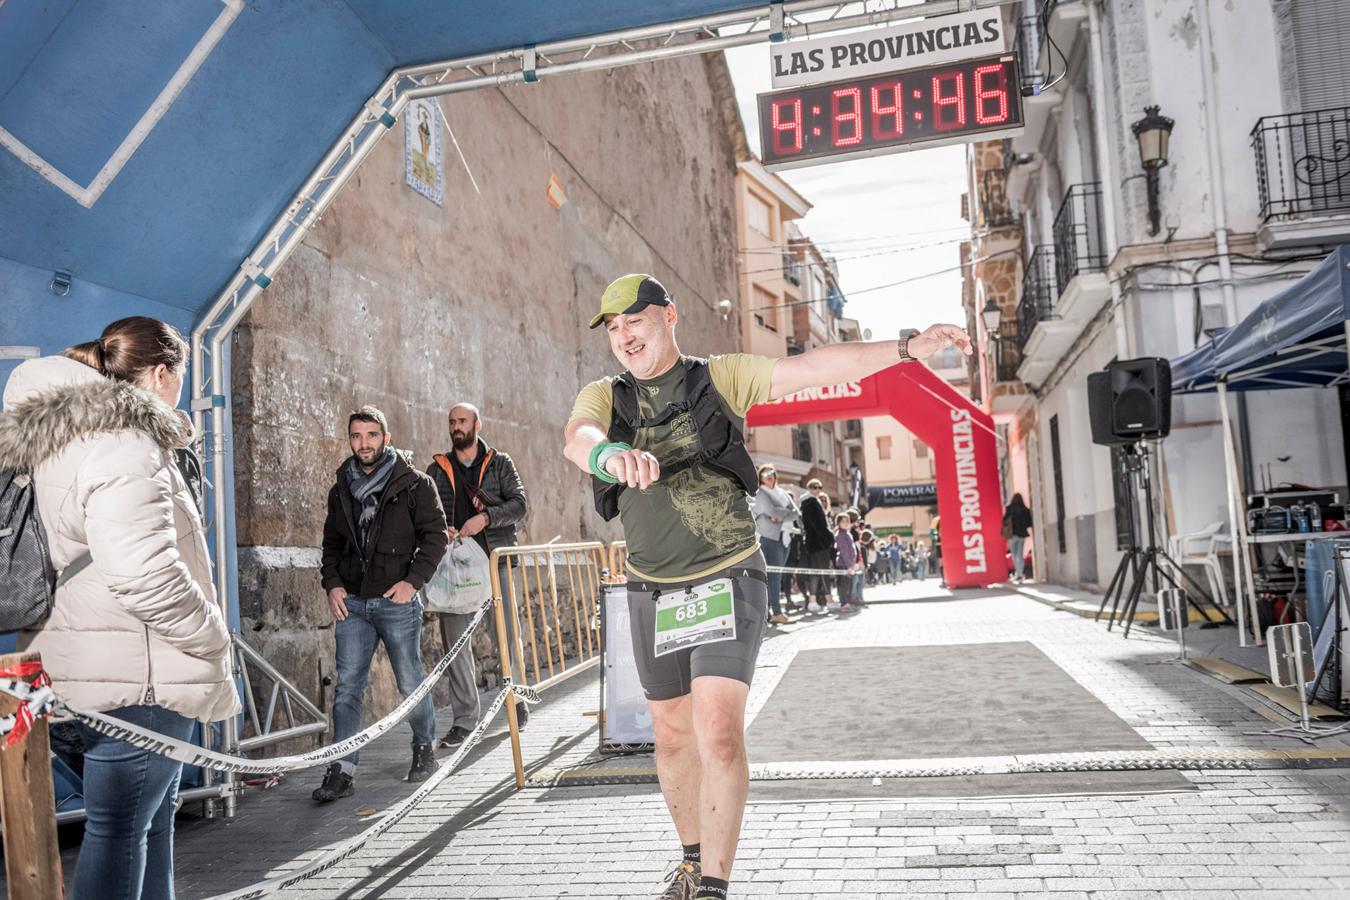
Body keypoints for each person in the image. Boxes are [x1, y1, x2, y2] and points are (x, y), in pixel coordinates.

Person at [561, 272, 970, 900]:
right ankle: (693, 861)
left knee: (717, 727)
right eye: (613, 328)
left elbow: (813, 368)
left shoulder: (717, 377)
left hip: (728, 572)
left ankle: (716, 887)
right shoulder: (605, 395)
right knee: (669, 735)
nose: (624, 337)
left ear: (668, 316)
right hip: (650, 586)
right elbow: (578, 436)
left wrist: (905, 347)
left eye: (634, 321)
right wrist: (607, 457)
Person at [0, 317, 240, 899]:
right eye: (178, 377)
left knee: (146, 824)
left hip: (74, 667)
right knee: (120, 829)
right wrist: (212, 637)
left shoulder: (56, 437)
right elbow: (144, 574)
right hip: (139, 676)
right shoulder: (123, 442)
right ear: (161, 374)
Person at [315, 406, 449, 802]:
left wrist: (412, 583)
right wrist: (333, 585)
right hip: (353, 604)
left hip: (396, 602)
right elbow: (332, 545)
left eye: (372, 435)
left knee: (409, 681)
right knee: (347, 689)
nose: (364, 443)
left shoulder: (415, 484)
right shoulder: (341, 488)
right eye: (356, 436)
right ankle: (342, 769)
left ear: (385, 438)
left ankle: (424, 748)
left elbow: (436, 538)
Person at [426, 402, 530, 743]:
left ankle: (514, 699)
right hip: (455, 566)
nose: (457, 426)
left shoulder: (500, 463)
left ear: (477, 425)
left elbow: (519, 505)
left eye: (463, 421)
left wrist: (485, 518)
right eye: (452, 421)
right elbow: (428, 514)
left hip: (495, 559)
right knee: (455, 643)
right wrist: (445, 531)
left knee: (506, 636)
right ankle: (465, 719)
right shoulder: (437, 468)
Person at [751, 464, 796, 625]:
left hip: (785, 537)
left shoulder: (782, 492)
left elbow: (796, 513)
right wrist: (785, 514)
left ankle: (769, 612)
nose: (769, 475)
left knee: (775, 576)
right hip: (769, 538)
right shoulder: (761, 493)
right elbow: (772, 512)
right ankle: (776, 612)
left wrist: (782, 516)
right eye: (765, 473)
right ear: (760, 477)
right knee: (773, 576)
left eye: (771, 472)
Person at [798, 479, 835, 614]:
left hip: (813, 543)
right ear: (809, 488)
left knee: (816, 572)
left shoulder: (808, 502)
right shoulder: (811, 502)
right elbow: (818, 525)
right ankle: (828, 601)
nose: (817, 489)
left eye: (819, 487)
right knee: (822, 572)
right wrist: (829, 537)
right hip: (819, 543)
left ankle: (813, 601)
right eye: (814, 487)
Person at [1003, 493, 1034, 583]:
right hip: (1022, 535)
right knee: (1020, 555)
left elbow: (1004, 521)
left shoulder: (1009, 509)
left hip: (1012, 535)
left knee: (1014, 554)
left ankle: (1018, 573)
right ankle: (1020, 574)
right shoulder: (1025, 510)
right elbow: (1029, 523)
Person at [831, 513, 858, 612]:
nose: (846, 523)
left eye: (847, 521)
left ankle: (846, 603)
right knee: (843, 585)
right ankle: (844, 604)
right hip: (843, 564)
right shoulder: (840, 535)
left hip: (849, 564)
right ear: (838, 523)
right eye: (843, 521)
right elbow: (844, 551)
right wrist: (849, 565)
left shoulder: (847, 534)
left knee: (848, 584)